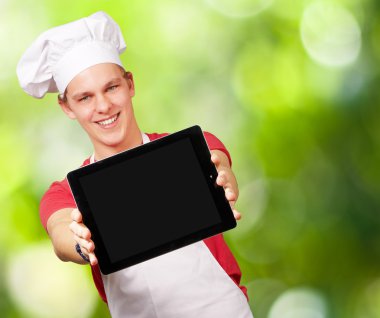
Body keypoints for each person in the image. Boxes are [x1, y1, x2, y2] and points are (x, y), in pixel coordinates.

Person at [17, 11, 253, 318]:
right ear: (67, 106)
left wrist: (224, 180)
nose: (103, 106)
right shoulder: (65, 194)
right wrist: (80, 241)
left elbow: (219, 164)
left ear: (130, 85)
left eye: (111, 88)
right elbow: (61, 231)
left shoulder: (192, 149)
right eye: (85, 97)